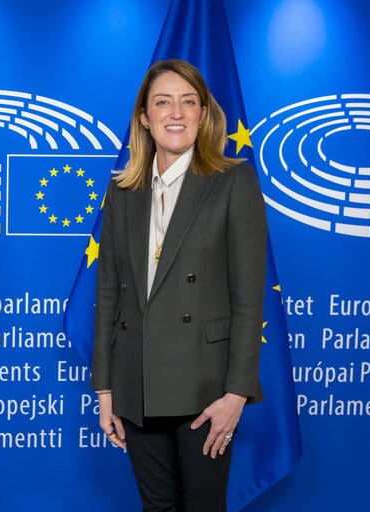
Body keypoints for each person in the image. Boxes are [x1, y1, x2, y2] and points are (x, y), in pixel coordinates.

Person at [91, 59, 266, 512]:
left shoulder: (234, 181)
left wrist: (236, 395)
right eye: (163, 102)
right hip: (136, 385)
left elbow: (249, 298)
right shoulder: (122, 191)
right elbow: (108, 295)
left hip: (206, 389)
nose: (176, 113)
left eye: (188, 102)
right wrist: (105, 390)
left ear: (203, 114)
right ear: (144, 117)